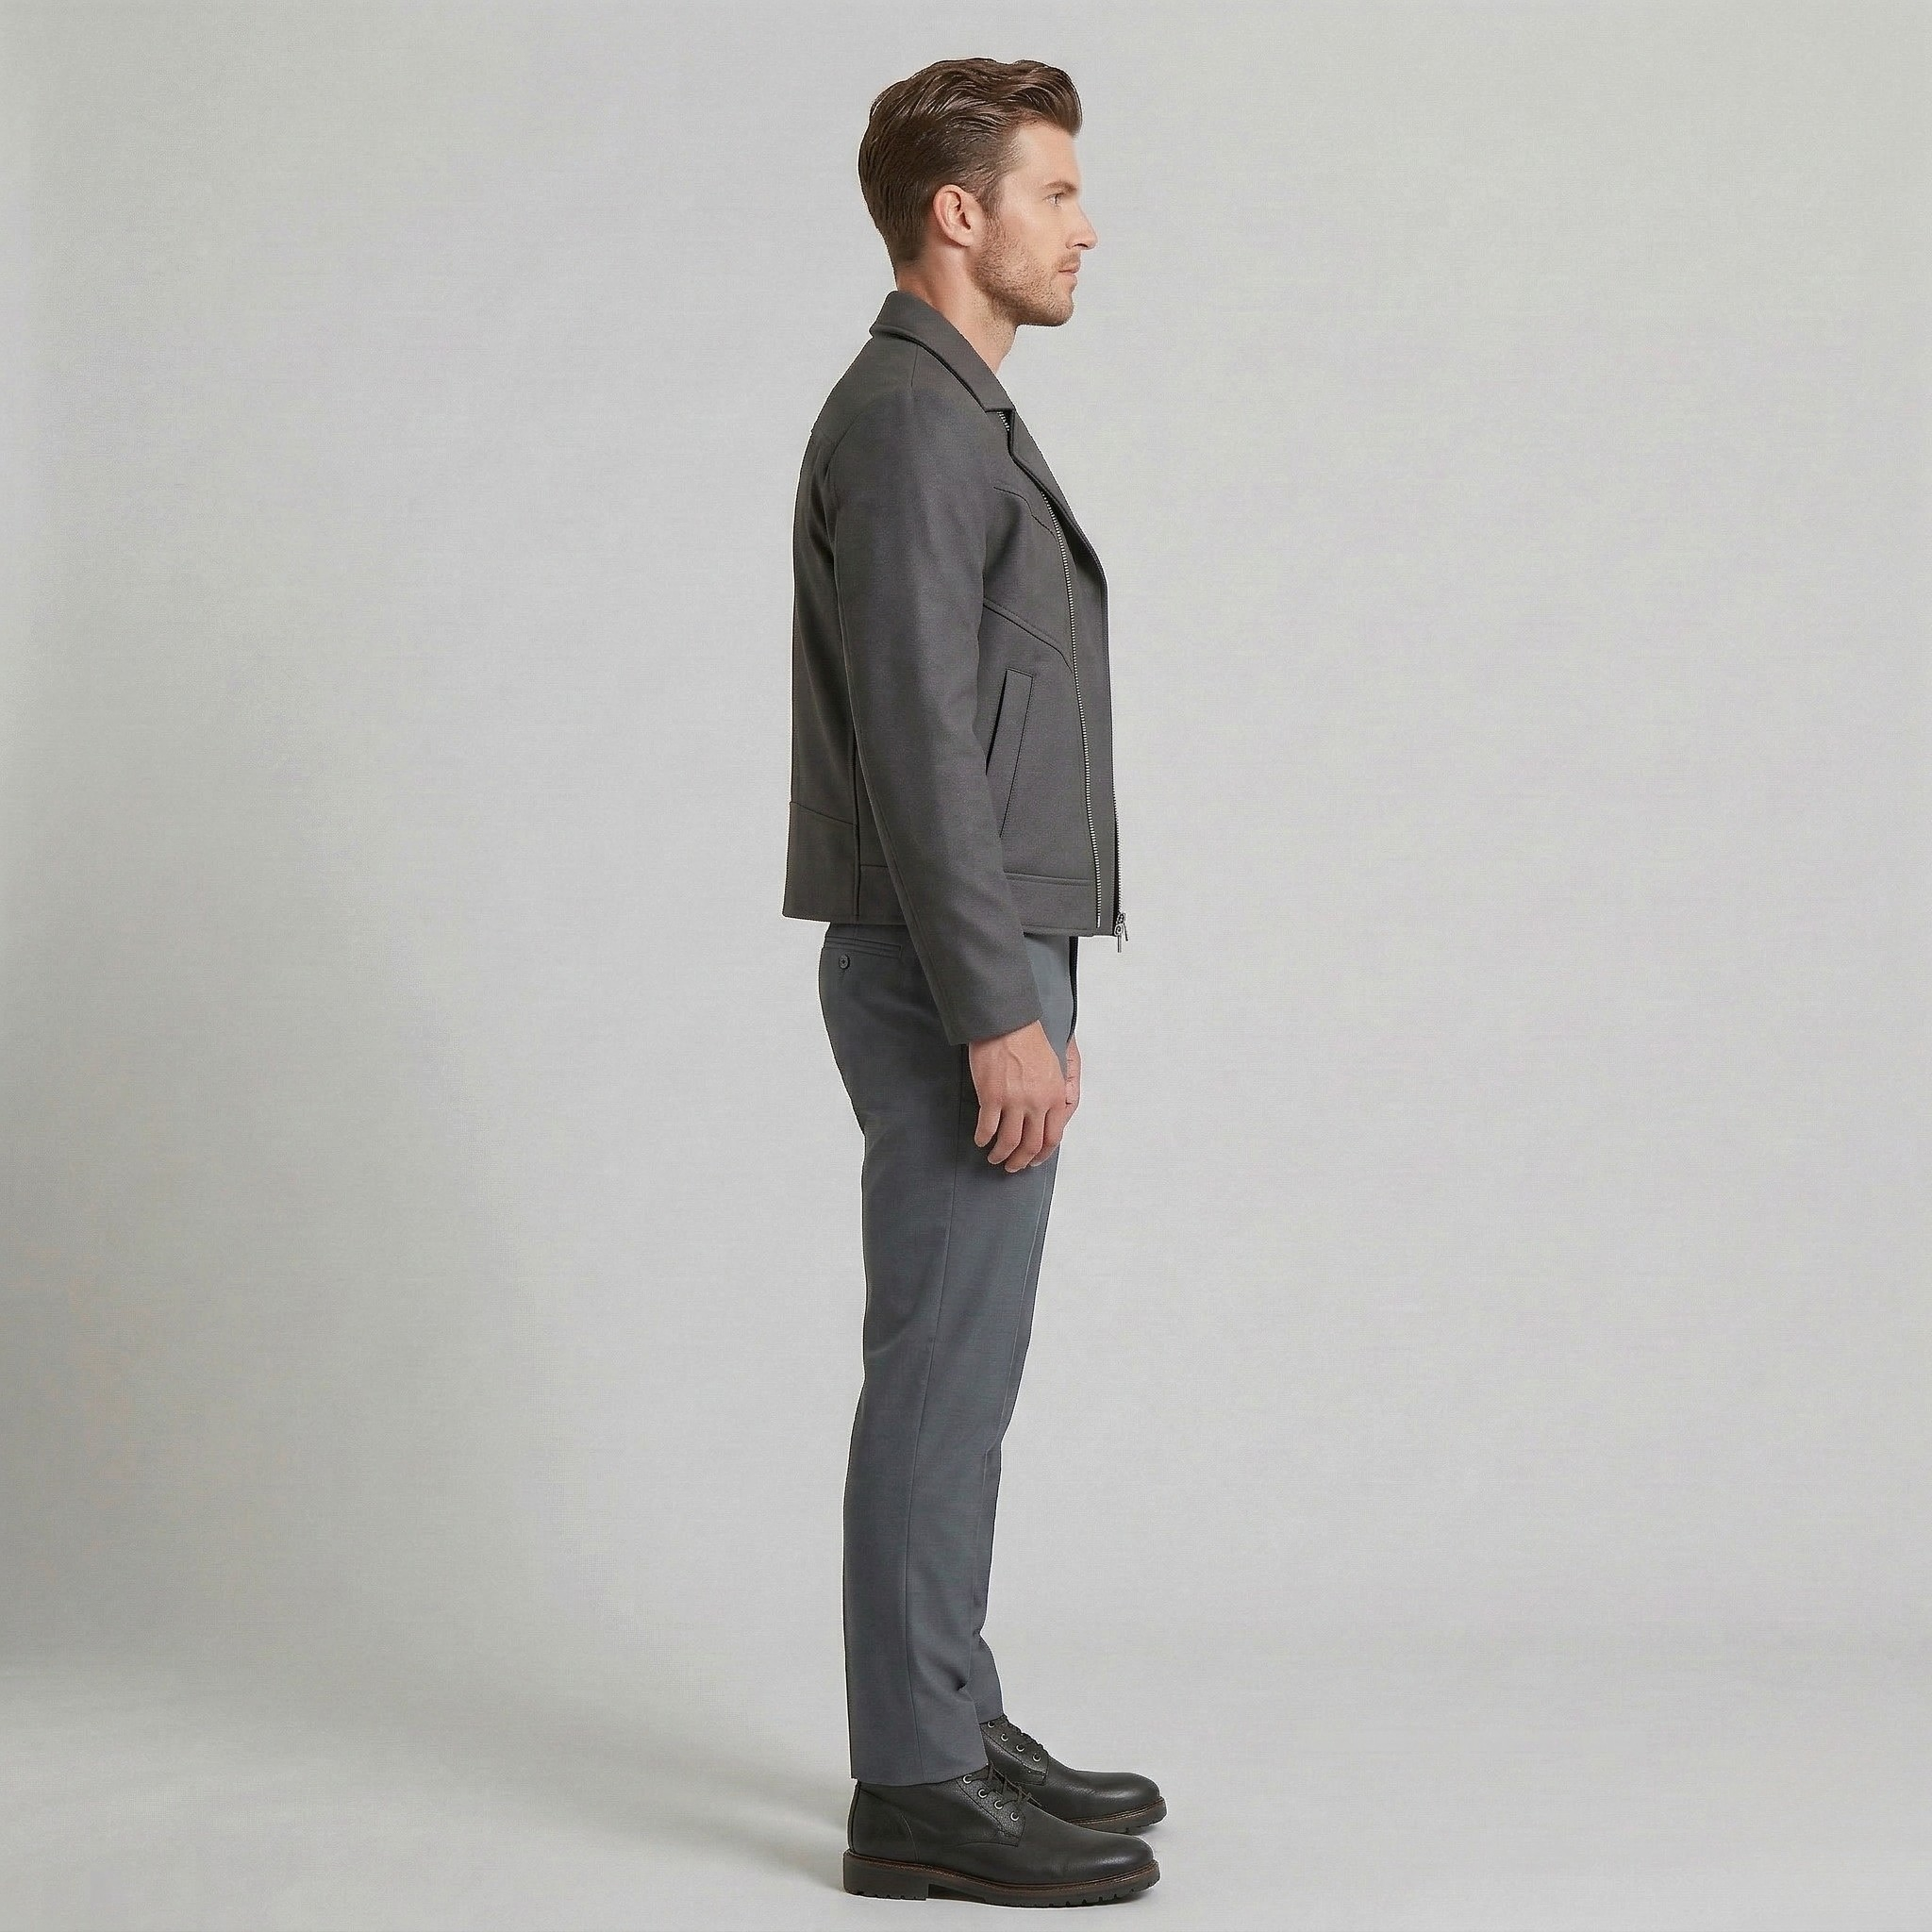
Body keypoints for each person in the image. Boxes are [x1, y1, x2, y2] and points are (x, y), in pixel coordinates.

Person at [781, 57, 1163, 1907]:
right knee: (940, 1369)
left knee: (963, 1365)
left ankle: (950, 1709)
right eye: (1056, 191)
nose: (1086, 226)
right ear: (961, 212)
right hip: (961, 961)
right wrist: (997, 1007)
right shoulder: (917, 422)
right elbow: (924, 741)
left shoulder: (946, 412)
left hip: (980, 942)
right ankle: (917, 1783)